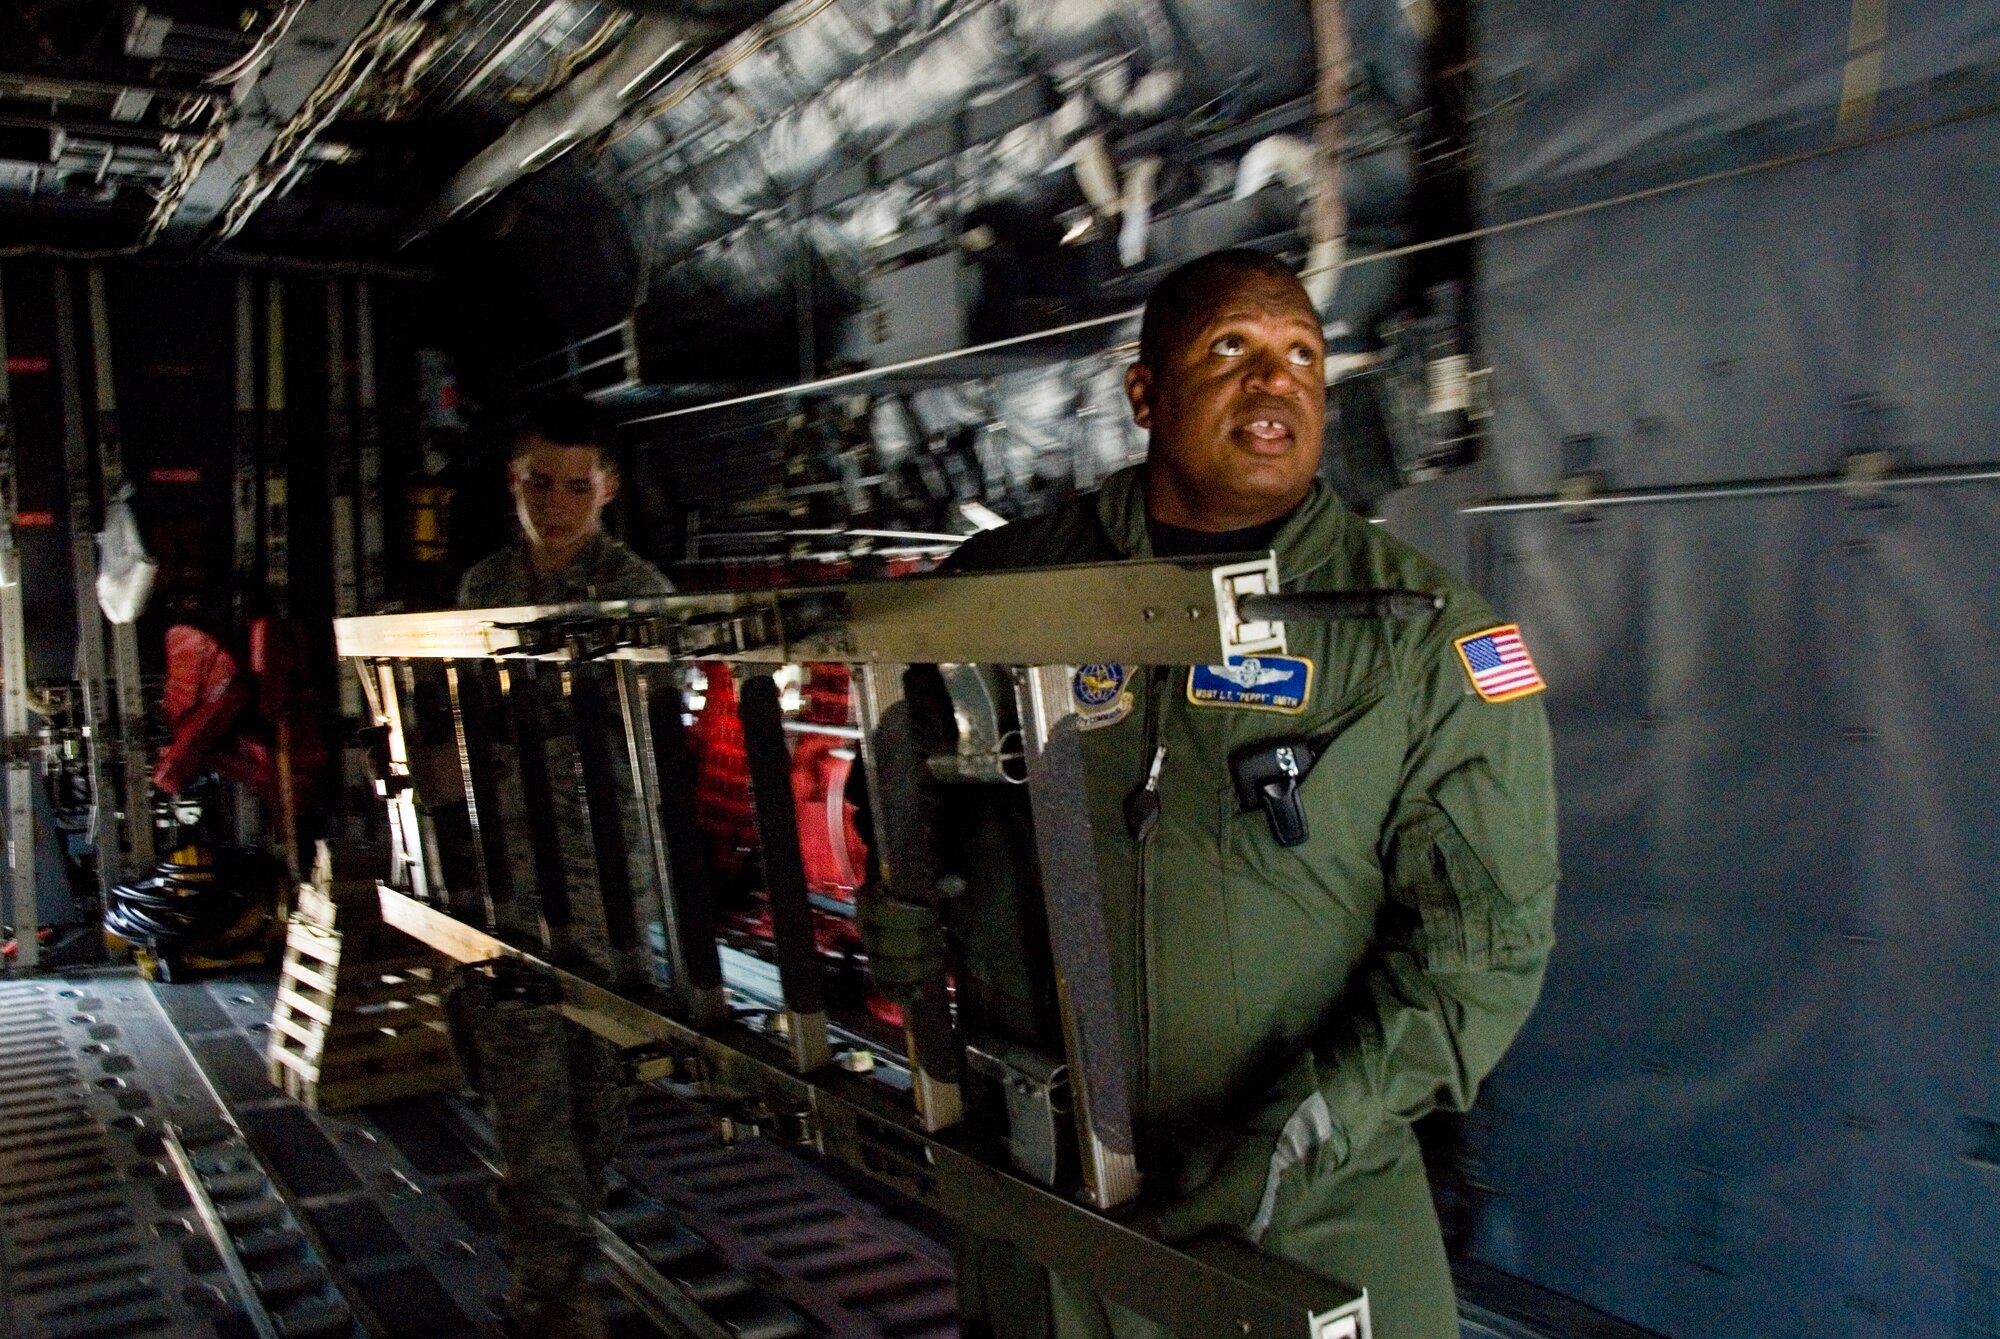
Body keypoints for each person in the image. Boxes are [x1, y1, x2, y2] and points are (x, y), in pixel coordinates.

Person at [860, 250, 1559, 1339]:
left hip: (1301, 1215)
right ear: (1144, 391)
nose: (1273, 383)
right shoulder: (1001, 588)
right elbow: (904, 772)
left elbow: (1483, 943)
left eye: (1301, 357)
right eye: (1230, 349)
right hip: (1045, 1206)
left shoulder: (1425, 638)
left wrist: (1305, 1130)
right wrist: (903, 893)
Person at [446, 396, 672, 1339]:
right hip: (508, 891)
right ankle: (550, 1300)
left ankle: (560, 1265)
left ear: (607, 489)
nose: (558, 502)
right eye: (540, 482)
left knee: (595, 1108)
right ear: (515, 481)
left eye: (576, 485)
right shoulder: (480, 588)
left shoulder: (640, 590)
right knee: (532, 1116)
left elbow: (647, 727)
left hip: (612, 889)